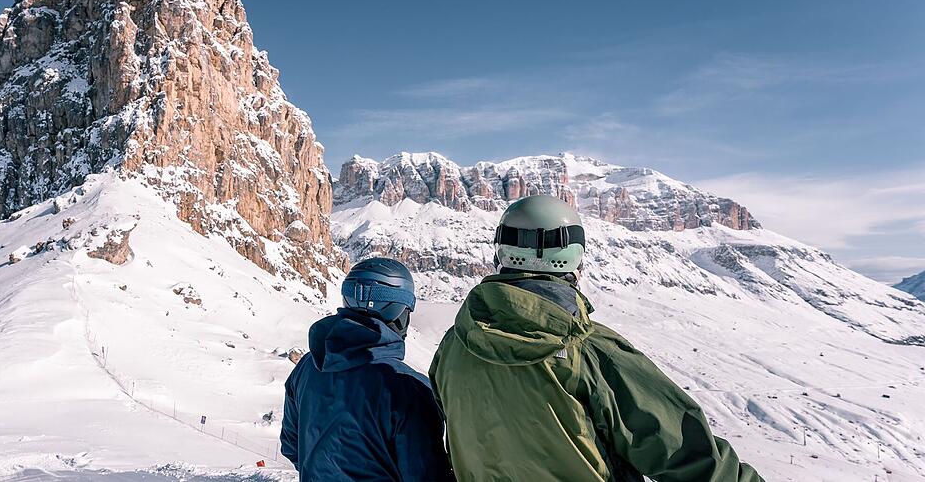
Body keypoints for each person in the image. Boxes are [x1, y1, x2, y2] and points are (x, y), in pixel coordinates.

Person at [430, 195, 765, 482]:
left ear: (501, 250)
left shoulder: (454, 346)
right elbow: (689, 456)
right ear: (575, 256)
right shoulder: (590, 351)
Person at [280, 257, 454, 481]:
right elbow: (425, 475)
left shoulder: (309, 366)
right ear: (399, 312)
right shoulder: (408, 388)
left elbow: (292, 446)